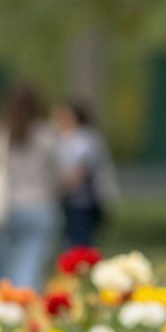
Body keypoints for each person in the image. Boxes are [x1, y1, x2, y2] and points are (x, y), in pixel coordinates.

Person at [0, 81, 63, 287]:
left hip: (3, 209)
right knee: (29, 267)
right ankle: (23, 305)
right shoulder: (46, 135)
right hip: (39, 207)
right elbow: (59, 176)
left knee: (6, 270)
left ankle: (7, 306)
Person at [53, 100, 119, 250]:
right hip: (67, 200)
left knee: (80, 242)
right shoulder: (61, 139)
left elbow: (79, 171)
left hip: (82, 201)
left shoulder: (85, 139)